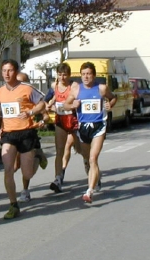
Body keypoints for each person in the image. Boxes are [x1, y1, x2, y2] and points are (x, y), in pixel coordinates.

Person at [0, 59, 45, 219]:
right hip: (9, 134)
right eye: (4, 71)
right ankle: (13, 204)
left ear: (16, 72)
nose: (7, 74)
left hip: (26, 133)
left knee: (27, 174)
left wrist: (30, 112)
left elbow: (42, 103)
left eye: (10, 70)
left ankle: (37, 156)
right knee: (8, 169)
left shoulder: (26, 89)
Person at [63, 61, 117, 203]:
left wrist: (109, 104)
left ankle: (89, 191)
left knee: (93, 158)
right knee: (87, 159)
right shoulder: (76, 90)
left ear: (94, 75)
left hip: (99, 126)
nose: (86, 77)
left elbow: (113, 97)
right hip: (83, 128)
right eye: (83, 74)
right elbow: (65, 105)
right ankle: (96, 178)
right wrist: (72, 105)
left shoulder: (101, 88)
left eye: (89, 74)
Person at [45, 63, 80, 193]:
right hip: (60, 120)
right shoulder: (54, 86)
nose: (62, 77)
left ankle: (92, 171)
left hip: (73, 120)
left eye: (65, 74)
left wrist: (73, 105)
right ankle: (58, 178)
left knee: (79, 149)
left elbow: (80, 101)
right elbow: (45, 100)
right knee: (60, 150)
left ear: (69, 75)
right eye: (59, 74)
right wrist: (49, 107)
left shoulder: (74, 86)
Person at [14, 72, 48, 203]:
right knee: (15, 165)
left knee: (24, 165)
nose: (19, 85)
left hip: (29, 134)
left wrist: (43, 122)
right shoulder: (12, 97)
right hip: (14, 133)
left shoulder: (32, 98)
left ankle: (25, 190)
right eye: (17, 82)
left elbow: (45, 114)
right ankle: (39, 156)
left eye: (22, 82)